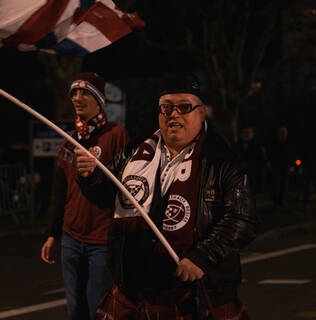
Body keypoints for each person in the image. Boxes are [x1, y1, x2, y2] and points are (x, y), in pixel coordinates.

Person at [75, 73, 258, 320]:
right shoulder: (133, 154)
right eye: (166, 108)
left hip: (197, 293)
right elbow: (104, 196)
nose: (174, 114)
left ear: (202, 113)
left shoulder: (223, 159)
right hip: (133, 290)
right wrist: (90, 177)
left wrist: (202, 257)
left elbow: (242, 219)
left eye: (184, 107)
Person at [41, 72, 130, 320]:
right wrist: (53, 234)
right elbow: (61, 191)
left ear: (99, 99)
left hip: (101, 239)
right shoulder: (71, 140)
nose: (78, 98)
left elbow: (126, 187)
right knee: (74, 310)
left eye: (85, 92)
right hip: (70, 237)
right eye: (74, 93)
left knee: (97, 309)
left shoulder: (117, 135)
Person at [232, 126, 270, 194]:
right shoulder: (237, 145)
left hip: (253, 171)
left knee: (252, 189)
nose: (247, 134)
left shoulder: (258, 145)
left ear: (252, 134)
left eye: (249, 132)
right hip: (240, 171)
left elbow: (262, 158)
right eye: (245, 132)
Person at [267, 125, 294, 208]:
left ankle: (281, 201)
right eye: (281, 132)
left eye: (284, 133)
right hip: (276, 166)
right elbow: (271, 154)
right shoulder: (274, 143)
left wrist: (291, 164)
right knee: (276, 184)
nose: (283, 134)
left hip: (285, 166)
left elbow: (290, 155)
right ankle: (276, 201)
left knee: (284, 184)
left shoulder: (288, 143)